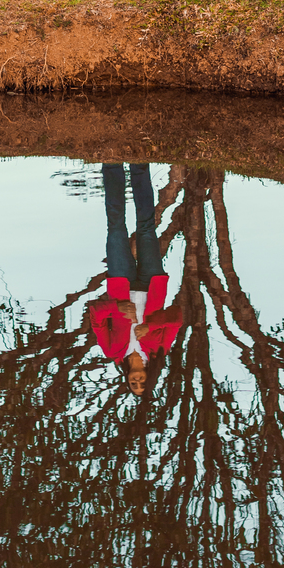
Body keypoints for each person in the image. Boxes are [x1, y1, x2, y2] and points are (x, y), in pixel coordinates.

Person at [89, 163, 183, 396]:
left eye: (134, 385)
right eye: (143, 384)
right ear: (149, 378)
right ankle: (139, 165)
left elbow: (96, 315)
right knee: (146, 228)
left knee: (115, 227)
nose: (138, 382)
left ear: (128, 380)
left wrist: (117, 307)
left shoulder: (113, 352)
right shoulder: (159, 351)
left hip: (120, 283)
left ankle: (112, 165)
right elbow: (177, 318)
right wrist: (151, 326)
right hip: (152, 283)